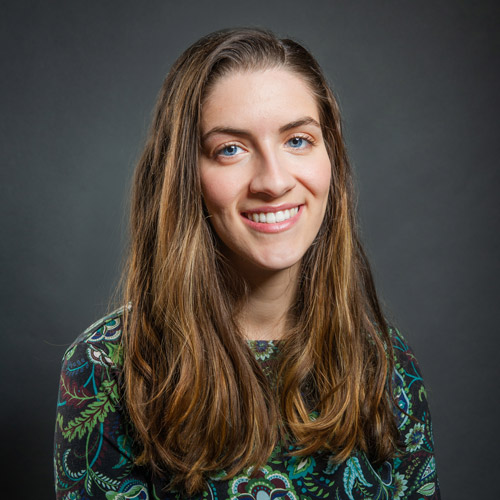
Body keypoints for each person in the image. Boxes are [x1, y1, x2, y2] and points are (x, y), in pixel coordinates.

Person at [54, 28, 440, 499]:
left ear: (331, 157)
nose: (273, 181)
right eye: (230, 149)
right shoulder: (108, 368)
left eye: (298, 140)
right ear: (186, 177)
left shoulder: (386, 362)